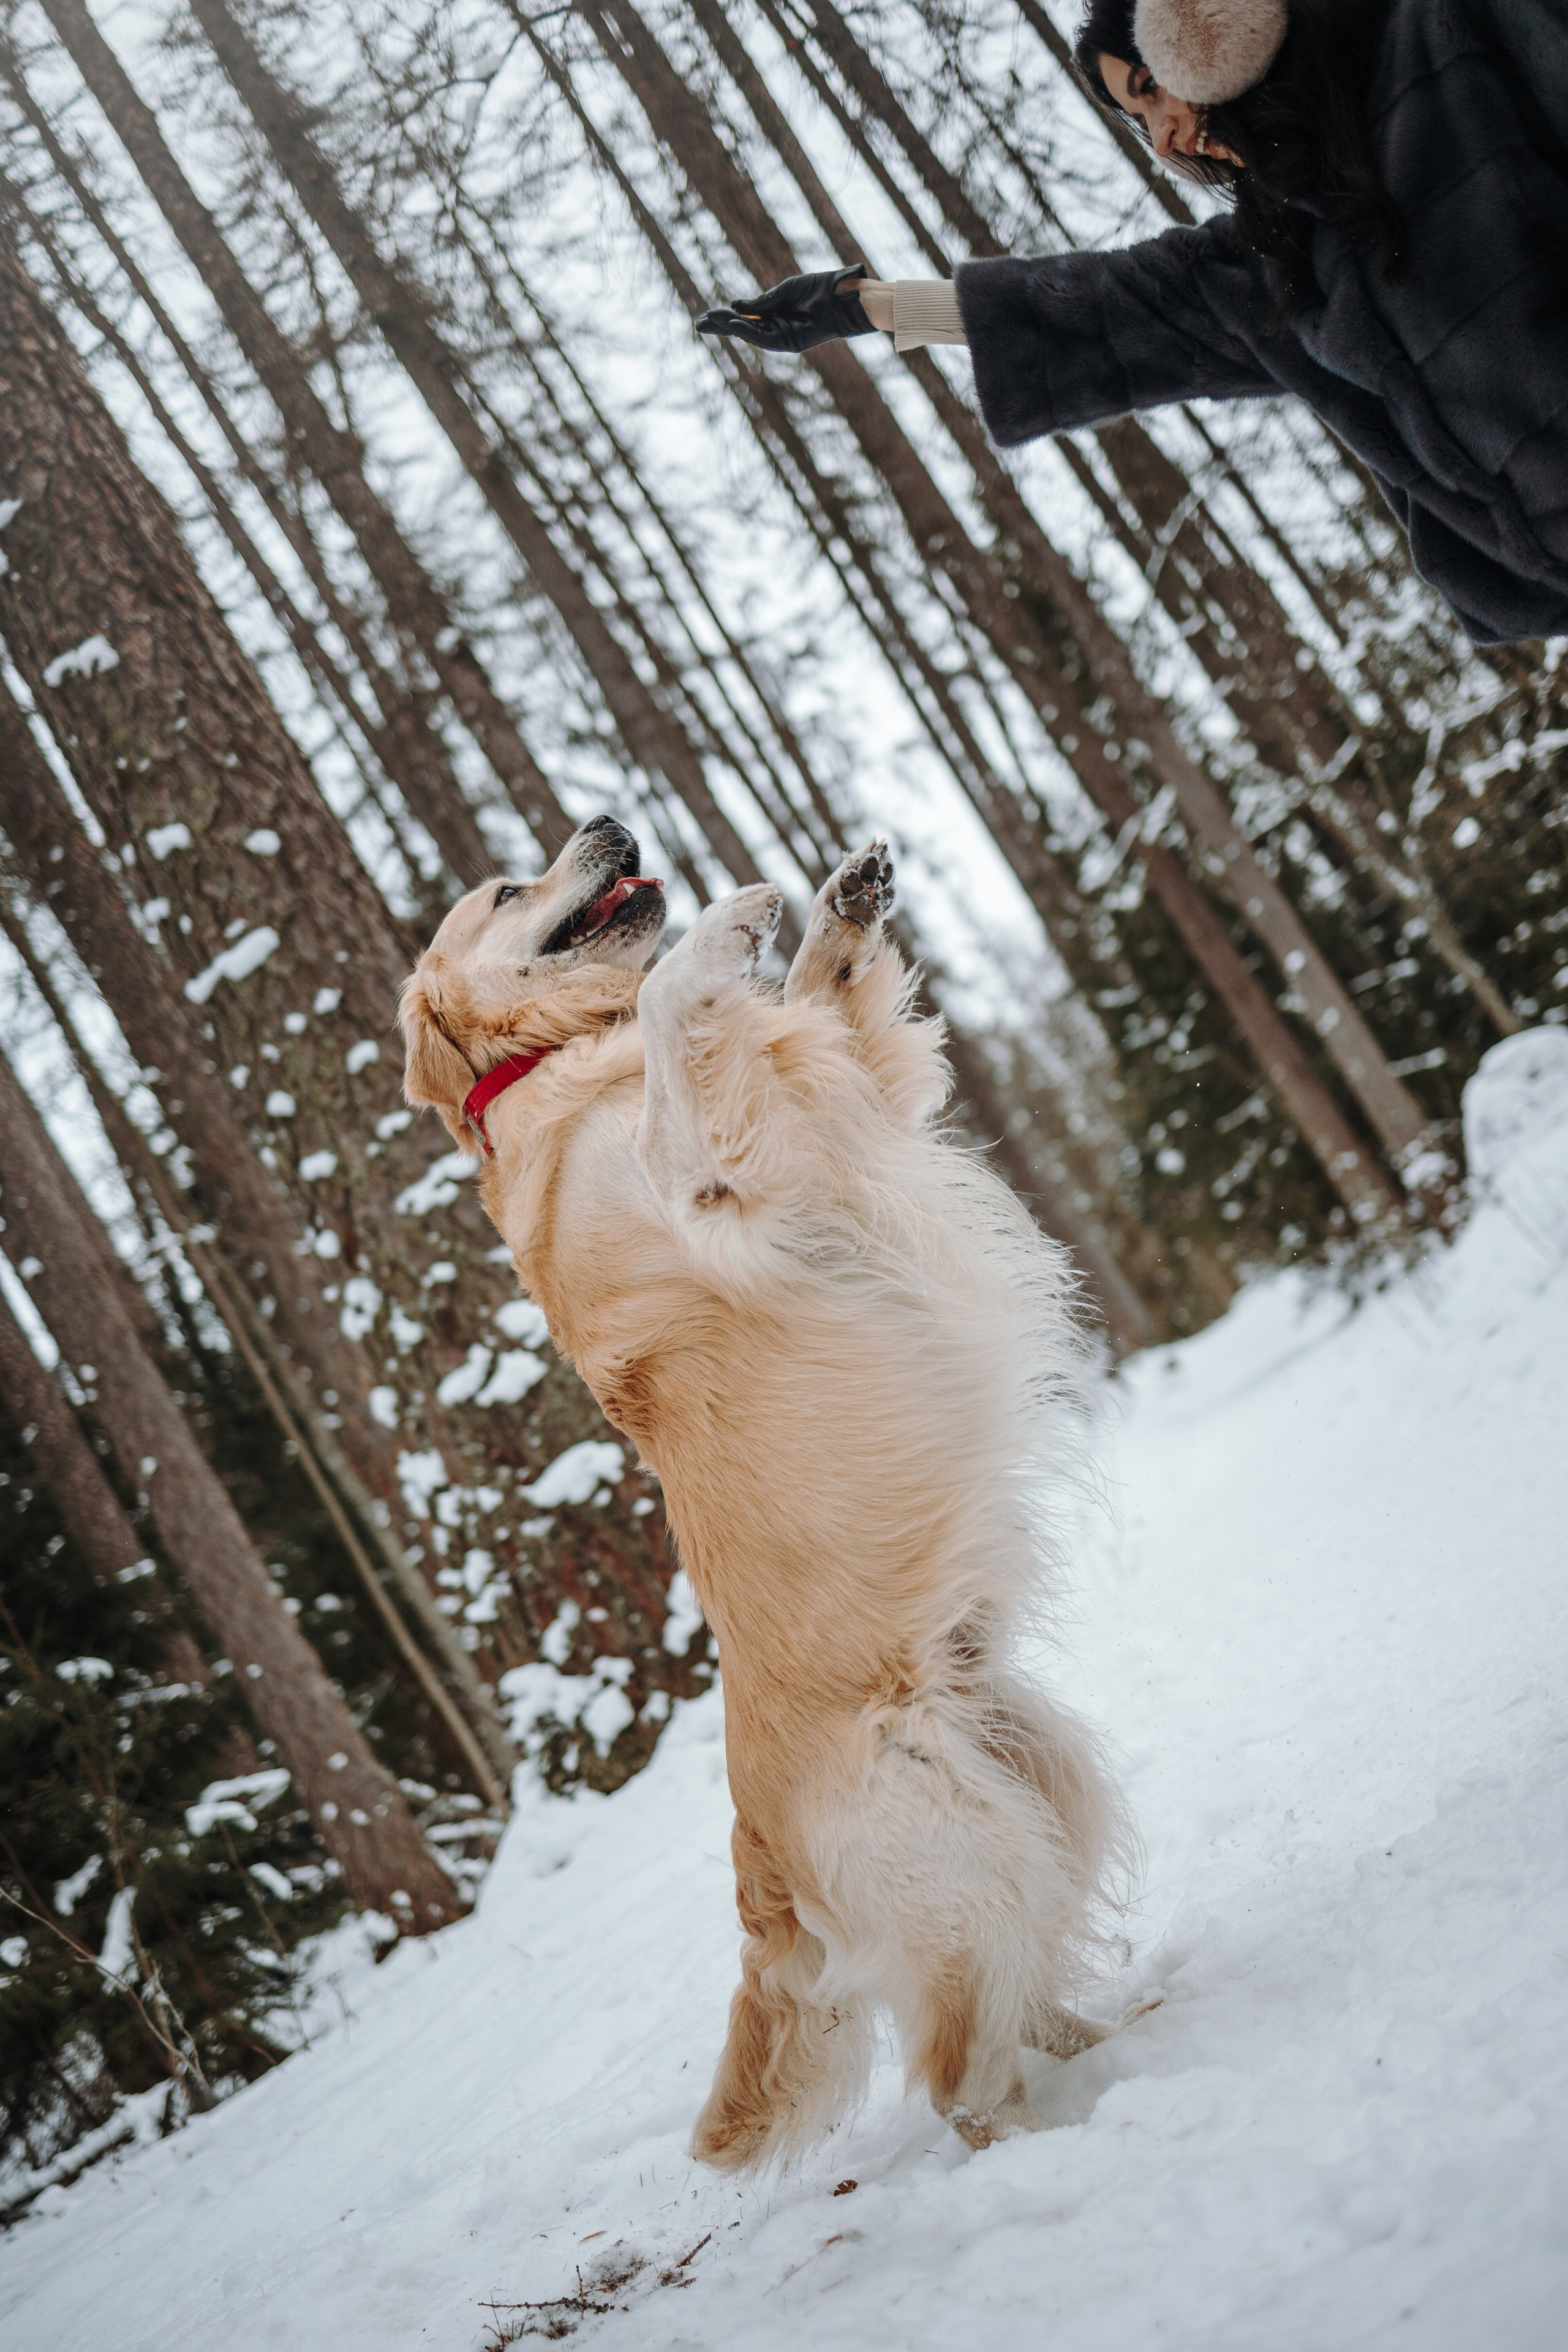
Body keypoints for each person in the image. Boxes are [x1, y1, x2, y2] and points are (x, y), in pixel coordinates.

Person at [696, 0, 1568, 647]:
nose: (1164, 137)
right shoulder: (1285, 259)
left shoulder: (1448, 35)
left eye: (1152, 87)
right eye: (1138, 117)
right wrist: (869, 308)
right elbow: (1102, 311)